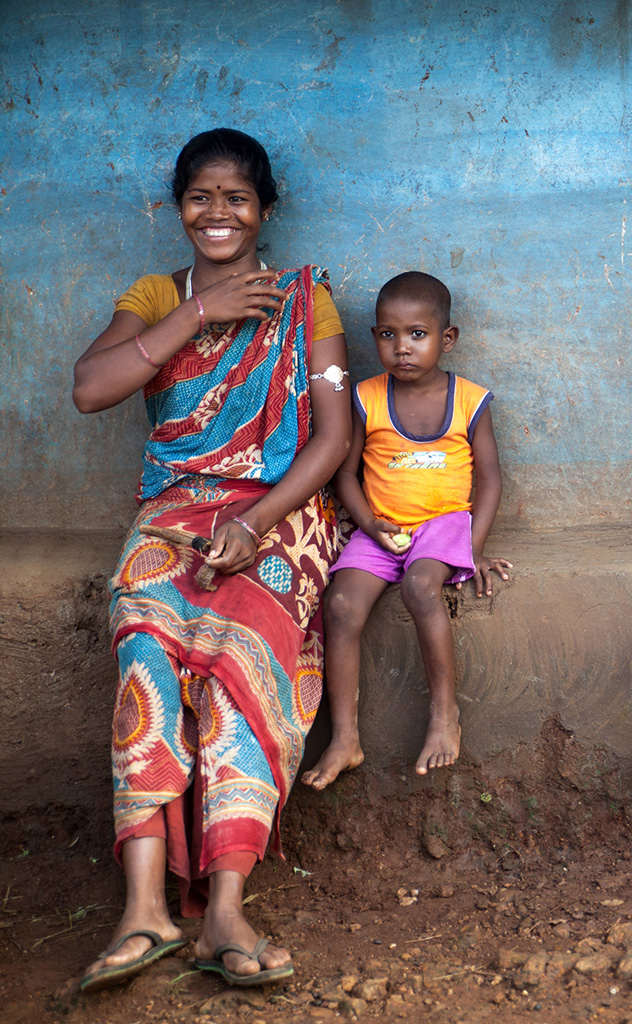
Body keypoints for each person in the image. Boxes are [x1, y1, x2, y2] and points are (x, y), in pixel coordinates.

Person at [71, 129, 351, 990]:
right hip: (176, 509)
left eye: (237, 198)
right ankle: (145, 908)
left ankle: (225, 905)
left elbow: (335, 436)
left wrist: (260, 522)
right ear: (178, 206)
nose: (217, 212)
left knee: (242, 646)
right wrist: (199, 314)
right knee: (143, 633)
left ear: (266, 209)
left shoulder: (310, 300)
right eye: (201, 196)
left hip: (285, 511)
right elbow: (91, 387)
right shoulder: (158, 293)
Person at [301, 272, 511, 789]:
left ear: (447, 338)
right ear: (374, 337)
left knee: (421, 586)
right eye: (388, 335)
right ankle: (345, 737)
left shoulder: (470, 400)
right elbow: (345, 474)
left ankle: (444, 714)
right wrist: (369, 523)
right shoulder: (365, 397)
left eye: (417, 334)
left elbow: (489, 479)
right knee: (342, 606)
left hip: (443, 526)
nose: (401, 348)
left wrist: (475, 545)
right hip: (380, 530)